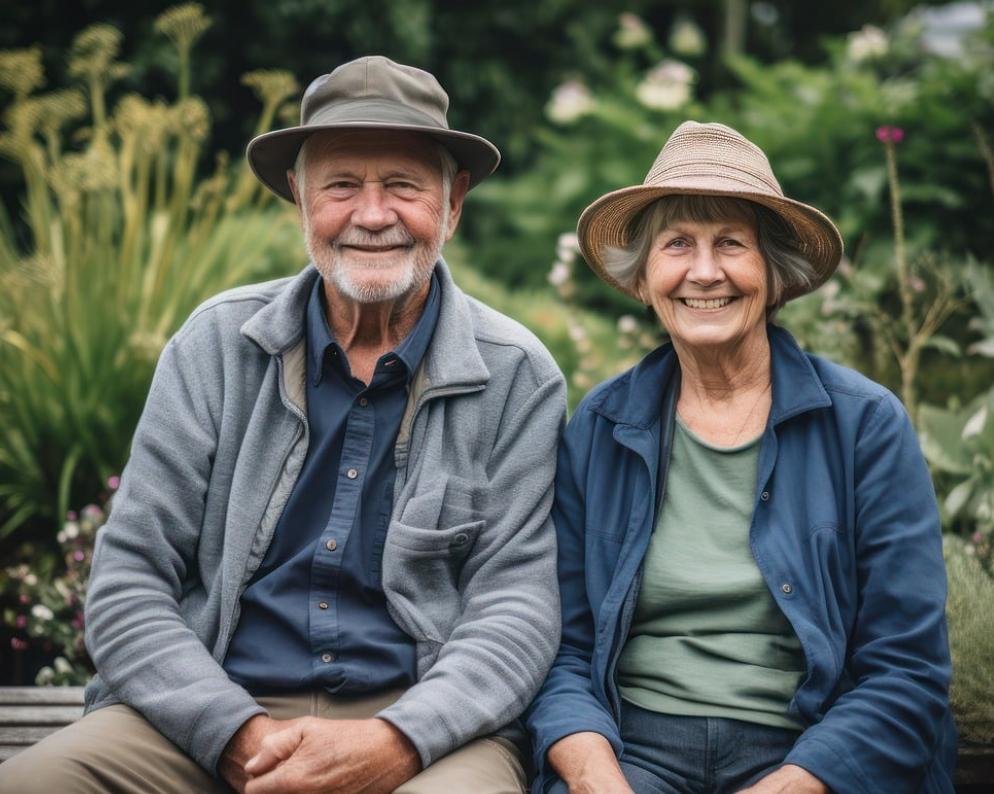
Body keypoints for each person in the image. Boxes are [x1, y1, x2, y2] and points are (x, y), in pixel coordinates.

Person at [0, 56, 566, 794]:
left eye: (402, 185)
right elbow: (128, 578)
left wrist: (397, 742)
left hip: (423, 722)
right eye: (340, 186)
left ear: (452, 202)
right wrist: (235, 735)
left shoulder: (517, 373)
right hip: (210, 707)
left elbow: (517, 608)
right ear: (298, 197)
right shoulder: (215, 346)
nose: (371, 215)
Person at [526, 121, 956, 794]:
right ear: (643, 278)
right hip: (632, 746)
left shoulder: (865, 426)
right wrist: (594, 776)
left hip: (807, 749)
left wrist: (798, 781)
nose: (705, 272)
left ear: (773, 274)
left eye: (730, 243)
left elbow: (906, 667)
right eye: (677, 245)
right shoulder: (601, 427)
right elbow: (562, 650)